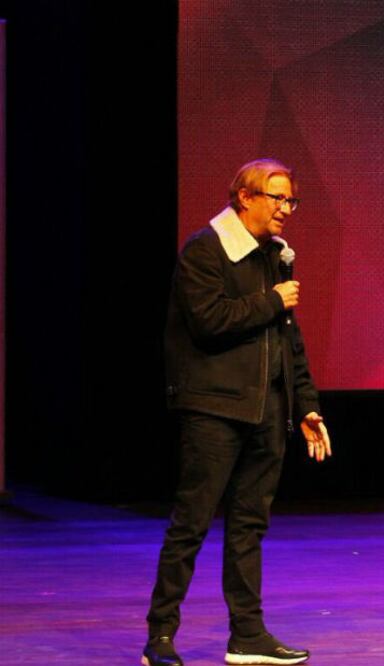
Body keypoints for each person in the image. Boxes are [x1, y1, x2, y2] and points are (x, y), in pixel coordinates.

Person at [143, 159, 332, 666]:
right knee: (192, 523)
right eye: (277, 198)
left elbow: (289, 340)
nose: (285, 209)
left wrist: (307, 404)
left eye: (290, 200)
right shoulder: (205, 249)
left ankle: (247, 634)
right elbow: (208, 320)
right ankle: (160, 635)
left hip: (268, 409)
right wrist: (271, 300)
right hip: (214, 407)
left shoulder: (275, 256)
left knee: (250, 525)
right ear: (244, 197)